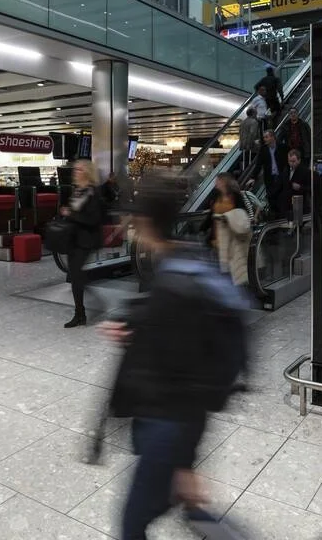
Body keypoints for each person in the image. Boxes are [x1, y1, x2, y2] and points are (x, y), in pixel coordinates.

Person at [98, 172, 247, 540]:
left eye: (132, 219)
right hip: (184, 421)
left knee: (133, 523)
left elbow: (174, 365)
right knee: (188, 503)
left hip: (168, 423)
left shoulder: (171, 284)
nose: (129, 226)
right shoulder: (187, 260)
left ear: (145, 222)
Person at [59, 160, 105, 328]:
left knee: (76, 276)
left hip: (85, 240)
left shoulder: (93, 193)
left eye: (79, 169)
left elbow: (94, 220)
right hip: (74, 239)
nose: (75, 172)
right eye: (75, 169)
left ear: (87, 172)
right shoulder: (77, 191)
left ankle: (80, 314)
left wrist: (70, 214)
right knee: (75, 276)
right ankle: (79, 313)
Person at [211, 174, 251, 286]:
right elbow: (211, 213)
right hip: (217, 237)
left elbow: (242, 213)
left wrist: (228, 217)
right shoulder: (216, 195)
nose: (216, 183)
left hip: (232, 238)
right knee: (221, 270)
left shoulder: (235, 196)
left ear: (224, 182)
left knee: (233, 270)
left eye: (218, 181)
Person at [254, 130, 287, 211]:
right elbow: (258, 164)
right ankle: (273, 216)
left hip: (281, 177)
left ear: (272, 137)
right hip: (269, 178)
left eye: (266, 137)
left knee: (281, 197)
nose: (265, 139)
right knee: (271, 198)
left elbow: (287, 162)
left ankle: (281, 216)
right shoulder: (263, 149)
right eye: (264, 137)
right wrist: (253, 177)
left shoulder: (282, 147)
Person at [276, 149, 310, 216]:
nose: (291, 163)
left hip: (299, 205)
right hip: (285, 206)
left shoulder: (305, 171)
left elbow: (310, 188)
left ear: (299, 160)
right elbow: (281, 185)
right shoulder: (286, 169)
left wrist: (300, 187)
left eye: (293, 161)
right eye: (290, 161)